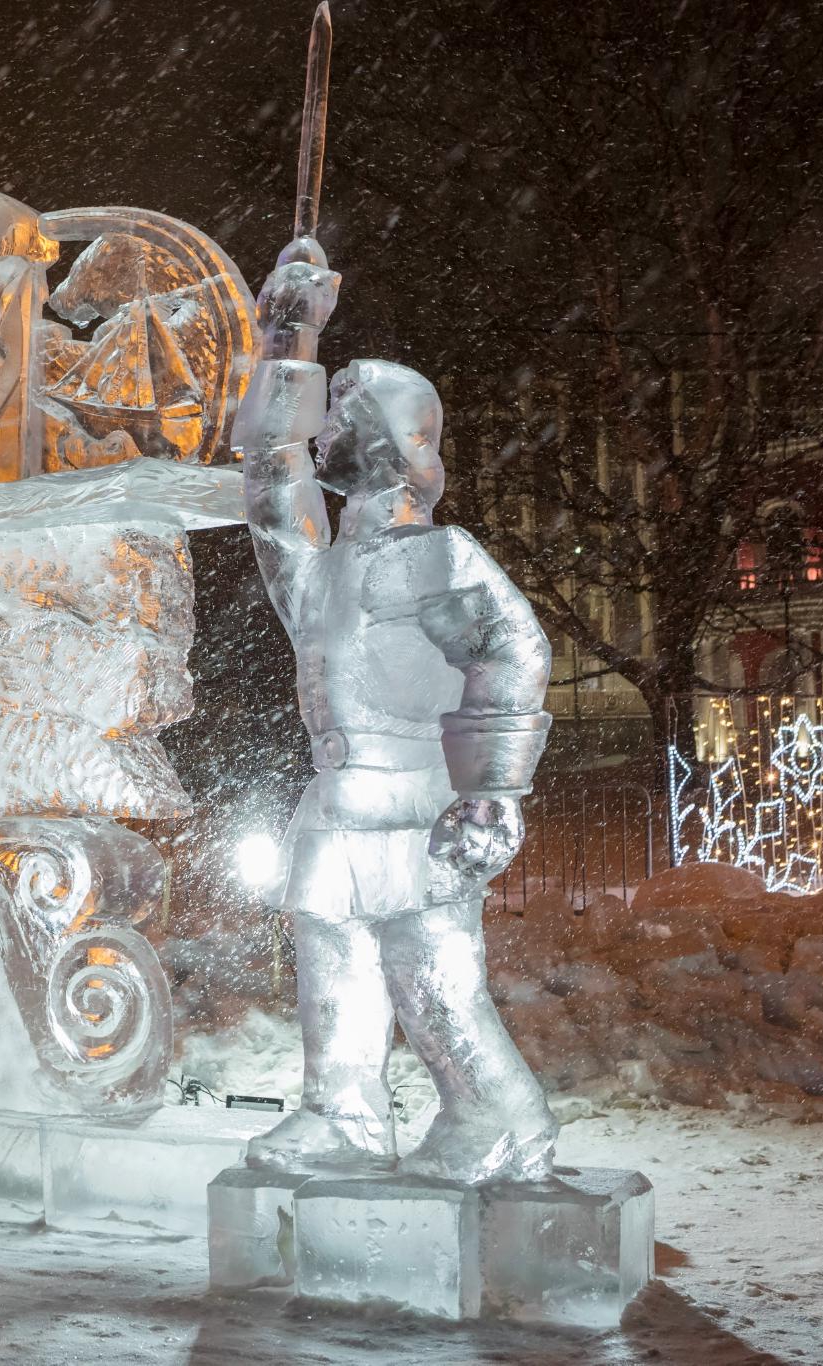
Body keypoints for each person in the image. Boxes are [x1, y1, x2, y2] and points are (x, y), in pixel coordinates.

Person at [236, 236, 558, 1186]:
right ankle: (342, 1112)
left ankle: (501, 1115)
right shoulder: (320, 570)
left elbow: (514, 650)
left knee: (433, 976)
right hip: (338, 797)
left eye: (338, 405)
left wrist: (493, 791)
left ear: (386, 437)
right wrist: (289, 341)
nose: (321, 421)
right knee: (330, 957)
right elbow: (266, 472)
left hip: (421, 795)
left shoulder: (438, 558)